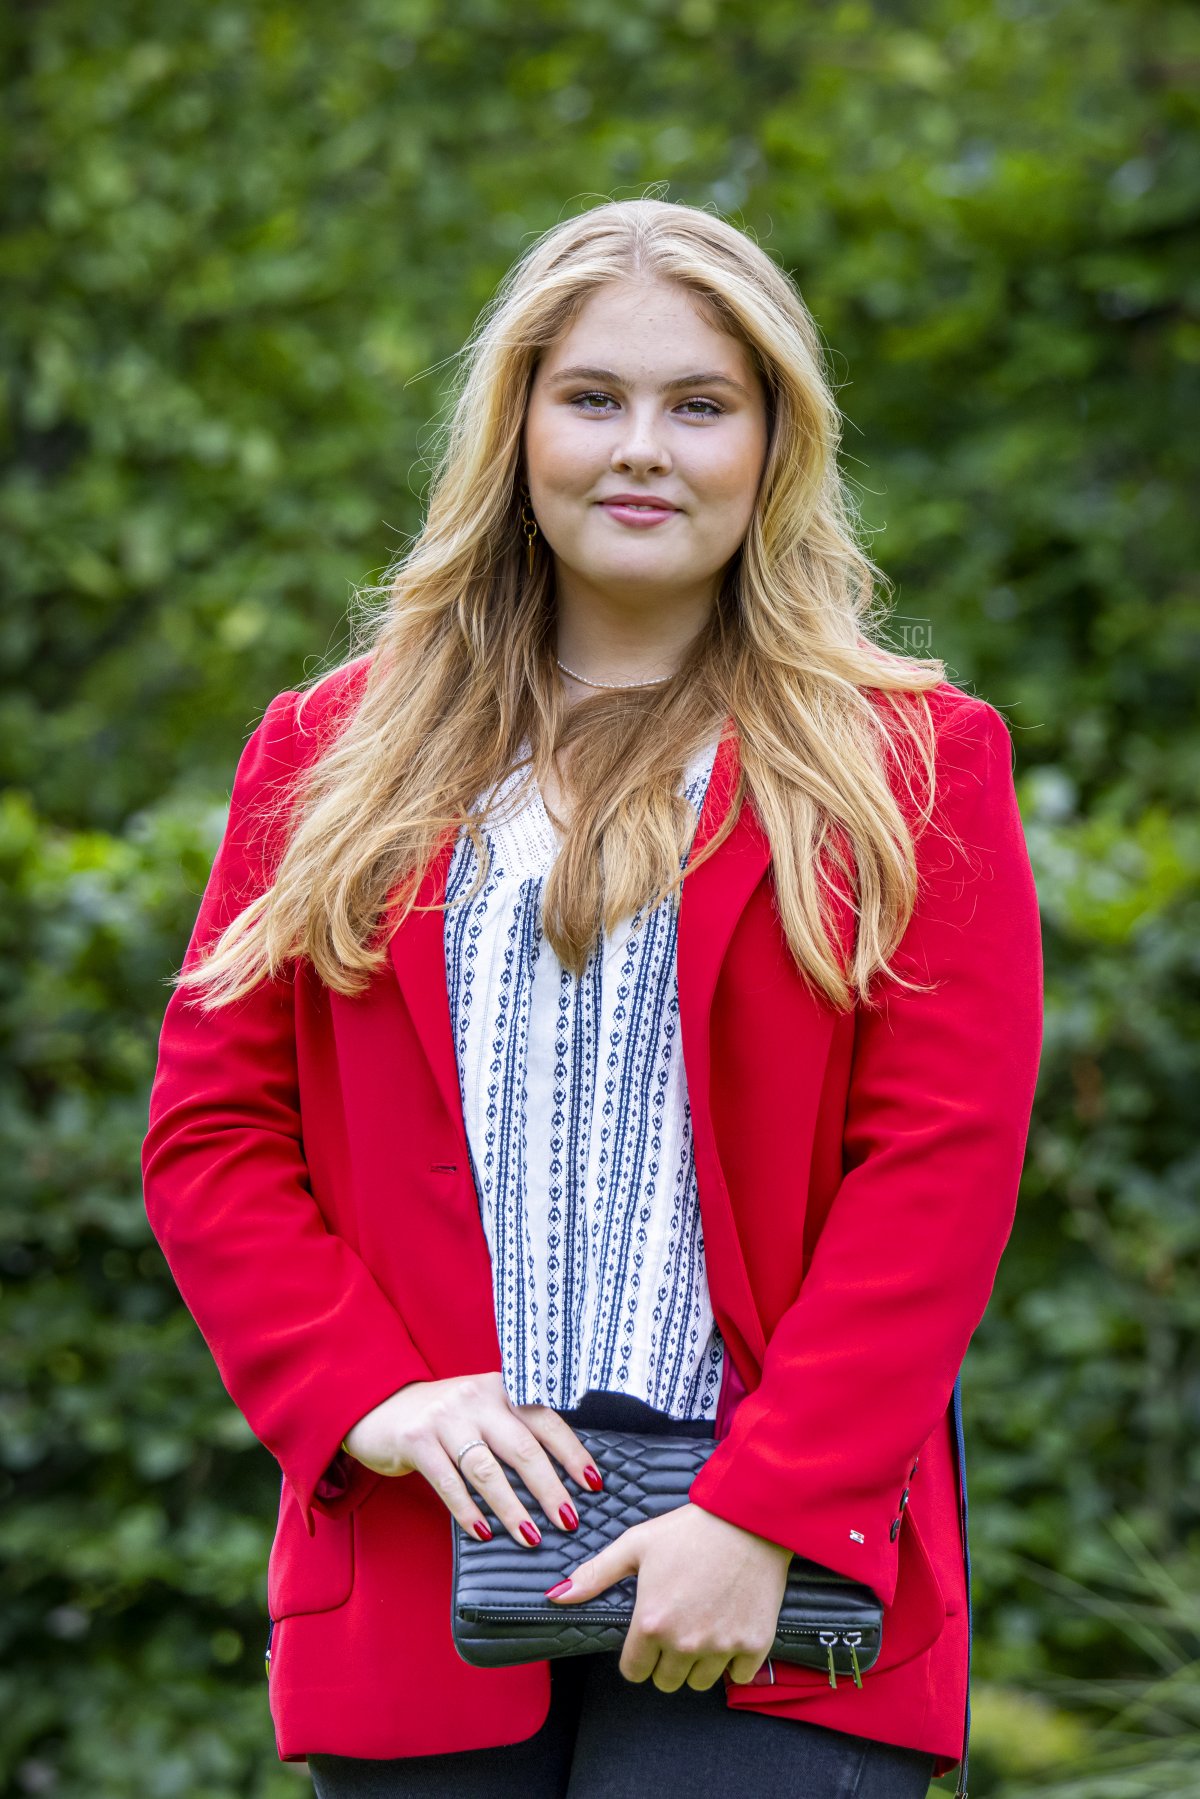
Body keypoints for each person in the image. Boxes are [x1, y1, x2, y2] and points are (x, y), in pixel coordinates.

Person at [141, 196, 1043, 1799]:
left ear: (773, 446)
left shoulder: (914, 764)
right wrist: (373, 1402)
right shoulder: (325, 755)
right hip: (430, 1571)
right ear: (518, 430)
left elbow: (938, 1173)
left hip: (772, 1585)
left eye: (700, 405)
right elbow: (214, 1135)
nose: (644, 448)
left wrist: (766, 1513)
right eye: (594, 398)